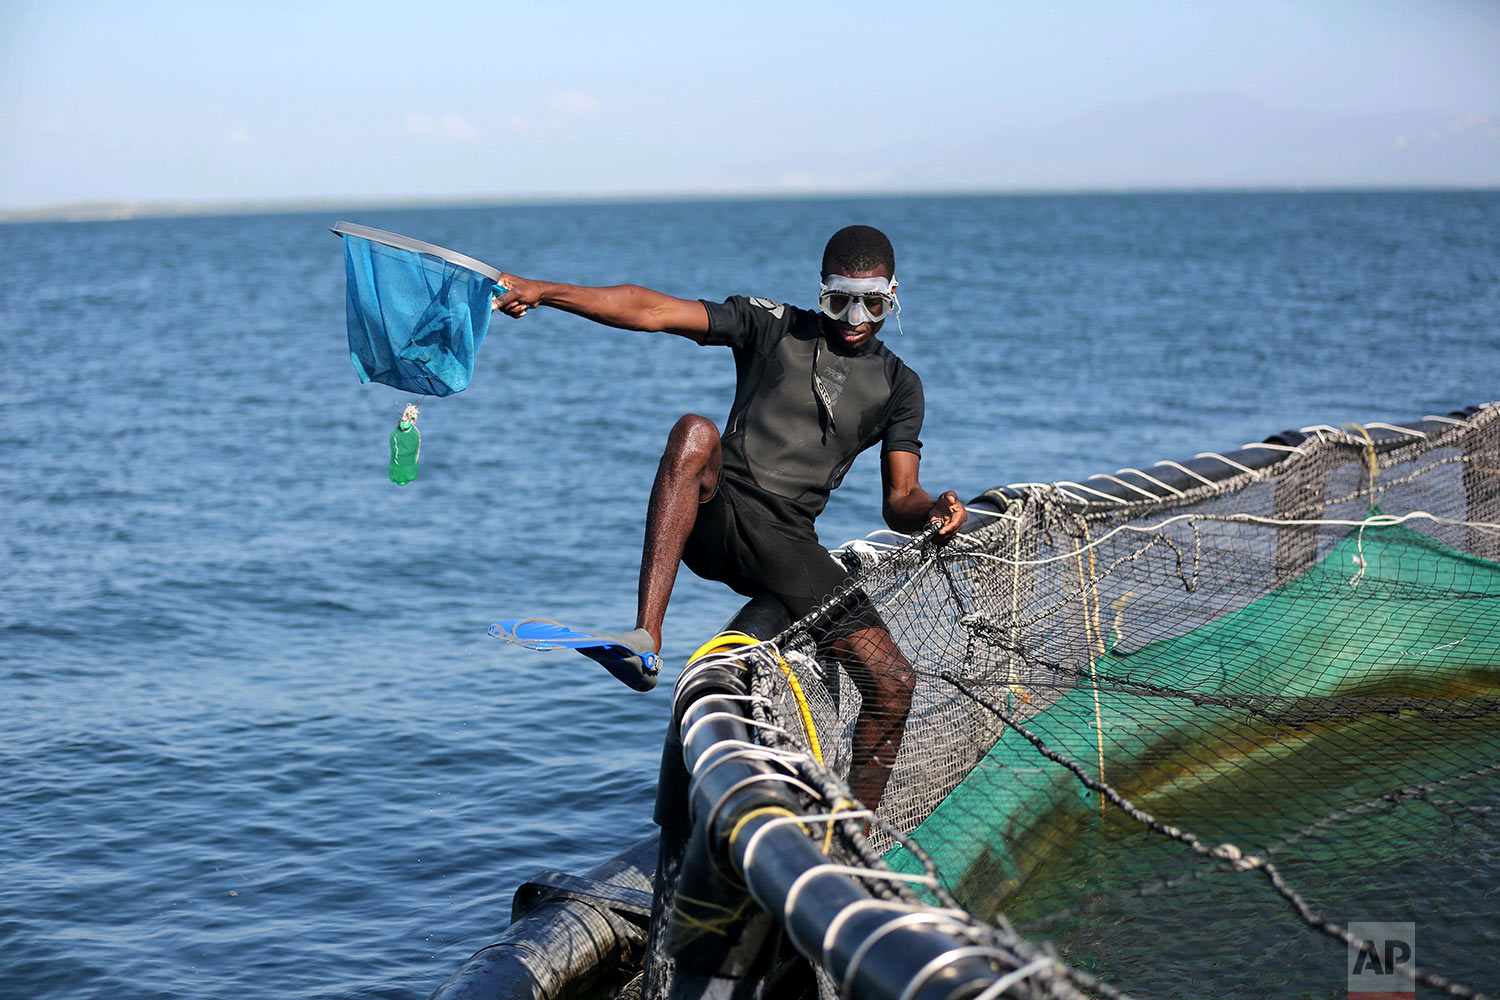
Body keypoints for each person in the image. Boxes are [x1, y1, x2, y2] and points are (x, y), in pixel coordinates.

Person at [493, 225, 966, 806]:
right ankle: (645, 638)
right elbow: (652, 309)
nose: (852, 316)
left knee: (893, 684)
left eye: (871, 302)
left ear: (893, 296)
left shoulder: (900, 386)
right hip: (713, 518)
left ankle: (855, 839)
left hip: (785, 546)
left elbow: (900, 500)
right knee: (694, 431)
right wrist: (545, 291)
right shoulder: (772, 325)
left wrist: (934, 512)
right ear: (820, 291)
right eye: (838, 298)